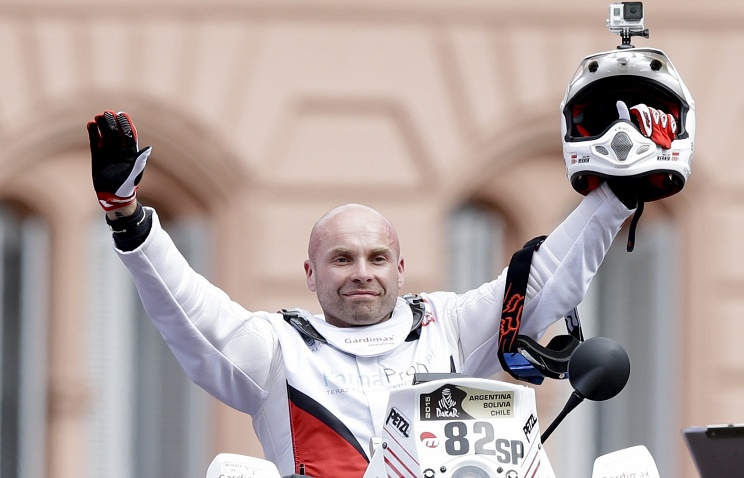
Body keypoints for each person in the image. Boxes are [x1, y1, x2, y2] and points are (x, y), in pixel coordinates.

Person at [88, 110, 642, 478]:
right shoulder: (277, 347)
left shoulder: (447, 325)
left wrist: (618, 192)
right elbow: (187, 310)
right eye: (341, 259)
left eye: (376, 259)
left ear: (400, 269)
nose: (361, 273)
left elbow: (541, 281)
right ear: (311, 274)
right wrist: (127, 215)